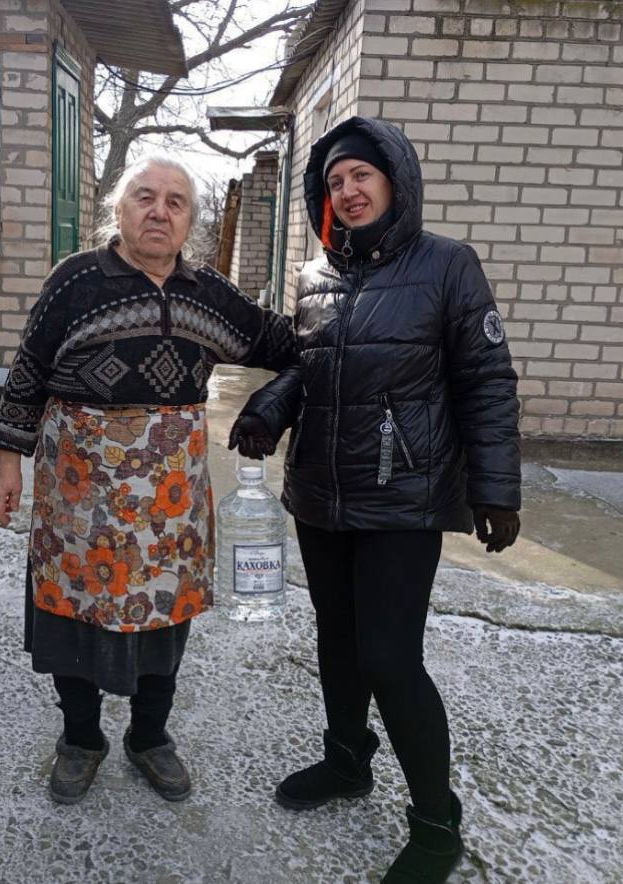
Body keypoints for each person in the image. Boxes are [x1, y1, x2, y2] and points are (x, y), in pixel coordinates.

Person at [229, 116, 522, 883]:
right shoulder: (313, 275)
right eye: (333, 182)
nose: (348, 191)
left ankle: (434, 824)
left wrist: (494, 487)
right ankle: (345, 761)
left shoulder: (448, 266)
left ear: (395, 179)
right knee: (337, 640)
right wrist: (269, 407)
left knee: (390, 658)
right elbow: (314, 365)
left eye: (360, 174)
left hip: (403, 496)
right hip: (321, 491)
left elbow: (486, 381)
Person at [0, 157, 295, 806]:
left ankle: (149, 738)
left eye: (175, 202)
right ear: (118, 211)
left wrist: (294, 385)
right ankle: (81, 739)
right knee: (71, 612)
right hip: (78, 488)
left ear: (190, 223)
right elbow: (27, 373)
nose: (159, 211)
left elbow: (285, 345)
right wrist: (6, 461)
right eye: (144, 197)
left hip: (168, 497)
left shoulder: (207, 295)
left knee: (165, 616)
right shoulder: (74, 281)